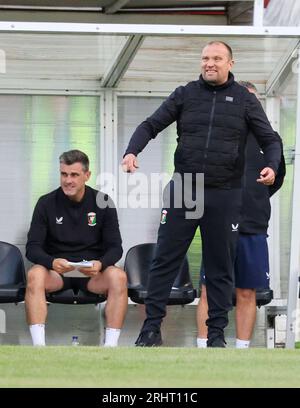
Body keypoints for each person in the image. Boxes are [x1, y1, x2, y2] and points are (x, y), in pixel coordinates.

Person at [122, 41, 282, 348]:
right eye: (205, 58)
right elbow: (151, 124)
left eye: (217, 58)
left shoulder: (245, 101)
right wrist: (132, 151)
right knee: (164, 260)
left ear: (230, 63)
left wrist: (272, 166)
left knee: (220, 266)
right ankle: (151, 329)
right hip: (185, 188)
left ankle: (217, 336)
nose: (210, 63)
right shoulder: (185, 94)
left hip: (225, 193)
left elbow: (271, 141)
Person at [197, 81, 286, 349]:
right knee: (209, 290)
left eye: (252, 102)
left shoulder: (270, 138)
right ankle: (204, 348)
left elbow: (276, 179)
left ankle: (242, 351)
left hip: (253, 226)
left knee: (247, 291)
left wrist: (253, 199)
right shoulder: (215, 134)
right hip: (219, 225)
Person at [25, 149, 127, 347]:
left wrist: (101, 263)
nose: (68, 180)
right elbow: (32, 248)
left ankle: (111, 347)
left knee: (119, 276)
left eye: (74, 175)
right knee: (35, 274)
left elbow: (116, 248)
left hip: (92, 274)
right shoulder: (45, 203)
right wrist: (51, 262)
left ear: (87, 176)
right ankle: (38, 347)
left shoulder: (103, 202)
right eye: (64, 174)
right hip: (57, 273)